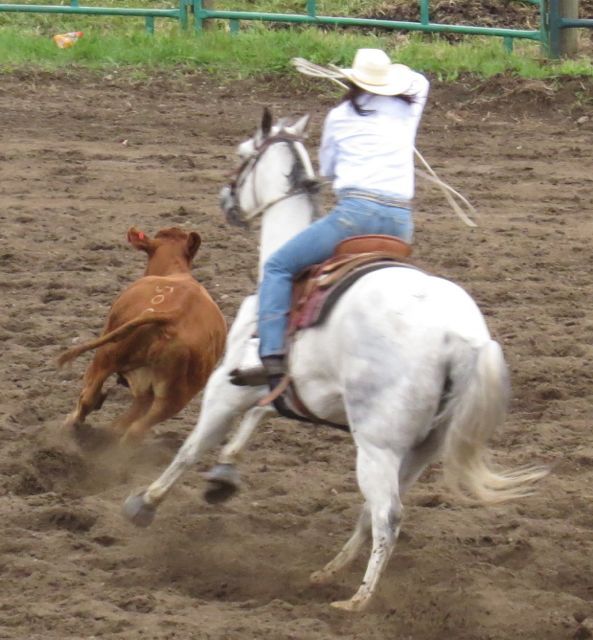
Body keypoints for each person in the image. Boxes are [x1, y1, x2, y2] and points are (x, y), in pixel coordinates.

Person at [233, 48, 430, 390]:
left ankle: (265, 352)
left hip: (355, 216)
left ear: (352, 81)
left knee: (279, 266)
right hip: (400, 221)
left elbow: (327, 170)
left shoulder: (340, 116)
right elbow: (420, 81)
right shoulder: (407, 109)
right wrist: (388, 73)